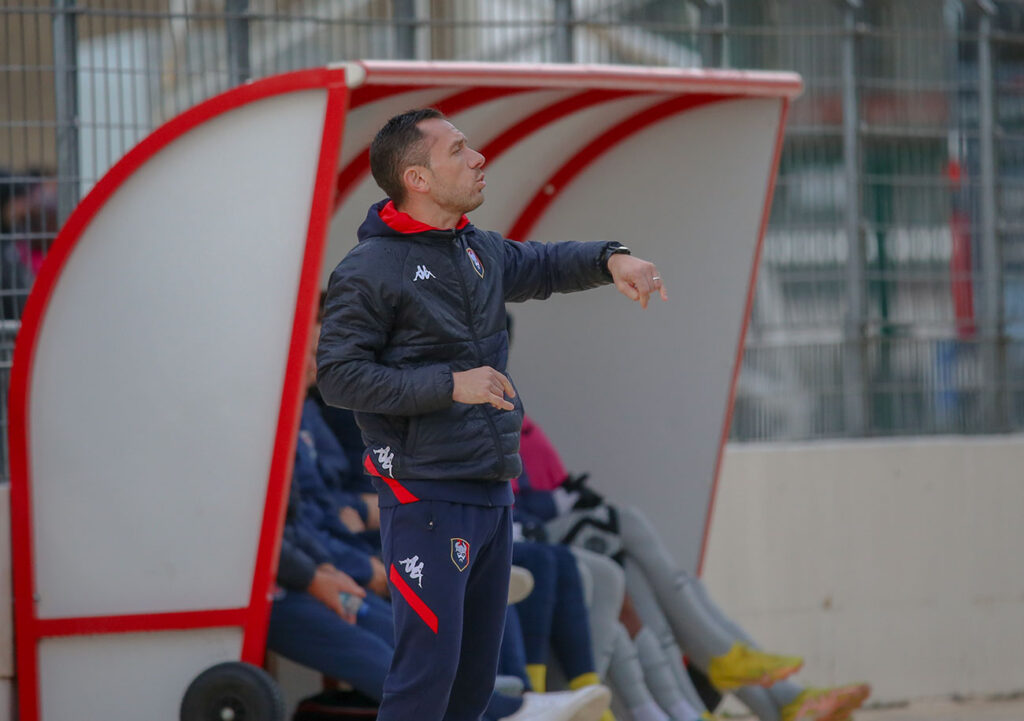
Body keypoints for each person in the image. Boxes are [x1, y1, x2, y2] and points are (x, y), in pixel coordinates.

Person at [317, 107, 666, 721]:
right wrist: (451, 384)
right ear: (418, 179)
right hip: (424, 494)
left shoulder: (477, 249)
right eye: (458, 151)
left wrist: (614, 258)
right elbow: (340, 377)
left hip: (490, 490)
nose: (478, 158)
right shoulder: (368, 270)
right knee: (425, 681)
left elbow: (548, 264)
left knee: (475, 686)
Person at [517, 414, 871, 721]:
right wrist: (558, 501)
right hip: (533, 538)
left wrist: (566, 495)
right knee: (629, 531)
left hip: (555, 535)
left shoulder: (520, 420)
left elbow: (553, 481)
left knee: (659, 587)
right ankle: (757, 689)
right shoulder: (484, 409)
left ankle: (768, 701)